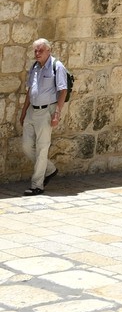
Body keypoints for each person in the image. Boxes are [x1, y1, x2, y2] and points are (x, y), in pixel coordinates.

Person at [19, 38, 68, 195]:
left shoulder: (57, 66)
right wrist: (24, 111)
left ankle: (37, 185)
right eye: (35, 51)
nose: (37, 53)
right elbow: (29, 91)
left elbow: (63, 91)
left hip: (47, 111)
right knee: (26, 146)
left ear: (49, 51)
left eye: (40, 50)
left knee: (42, 148)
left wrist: (57, 113)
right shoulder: (35, 67)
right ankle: (50, 169)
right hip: (32, 111)